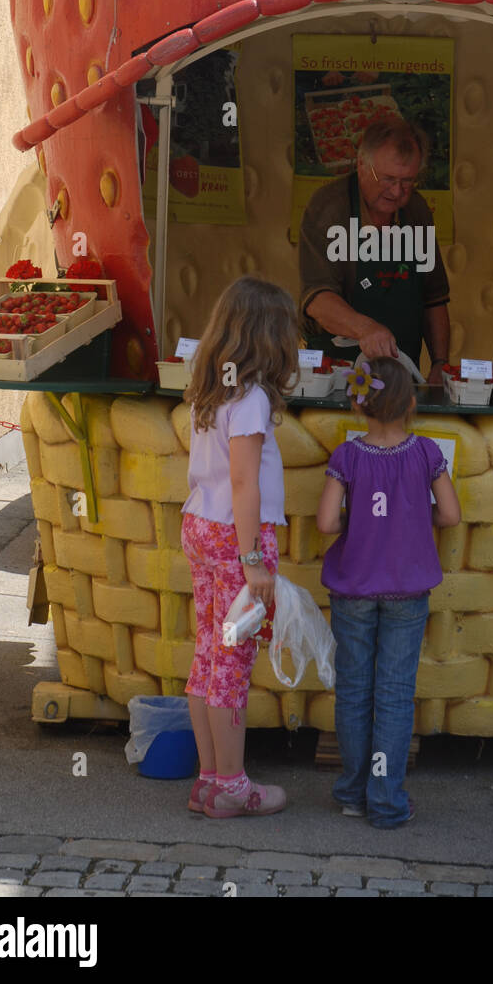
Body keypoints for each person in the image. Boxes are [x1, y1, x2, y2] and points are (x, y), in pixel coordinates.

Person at [315, 356, 461, 827]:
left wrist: (351, 524)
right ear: (412, 405)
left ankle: (352, 793)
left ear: (360, 406)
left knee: (354, 691)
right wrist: (422, 519)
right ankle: (387, 801)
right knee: (395, 695)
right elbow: (452, 515)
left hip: (353, 587)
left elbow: (324, 522)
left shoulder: (347, 457)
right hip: (407, 589)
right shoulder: (426, 454)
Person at [180, 276, 298, 818]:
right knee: (232, 665)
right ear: (268, 339)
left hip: (201, 526)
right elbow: (245, 482)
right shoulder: (250, 398)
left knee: (208, 655)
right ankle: (233, 785)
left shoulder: (213, 387)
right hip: (236, 540)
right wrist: (254, 560)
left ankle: (208, 779)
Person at [299, 115, 451, 384]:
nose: (397, 192)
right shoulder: (330, 208)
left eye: (407, 181)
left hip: (401, 374)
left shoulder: (416, 211)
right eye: (388, 179)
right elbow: (317, 298)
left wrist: (440, 362)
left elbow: (434, 298)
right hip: (335, 376)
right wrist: (365, 329)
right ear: (361, 165)